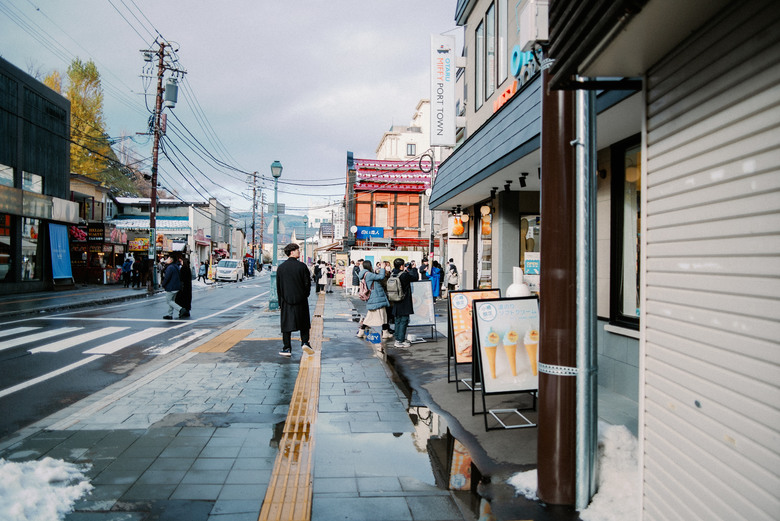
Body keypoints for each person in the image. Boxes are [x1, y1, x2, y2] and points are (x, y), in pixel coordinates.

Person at [276, 243, 315, 357]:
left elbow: (279, 287)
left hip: (286, 300)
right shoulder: (302, 266)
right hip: (301, 300)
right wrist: (305, 295)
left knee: (286, 324)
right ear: (291, 252)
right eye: (297, 250)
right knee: (304, 323)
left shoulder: (281, 268)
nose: (299, 252)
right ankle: (305, 342)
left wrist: (280, 302)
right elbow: (307, 284)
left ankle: (287, 347)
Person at [356, 260, 392, 340]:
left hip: (376, 297)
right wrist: (382, 268)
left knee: (382, 315)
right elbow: (381, 277)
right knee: (374, 316)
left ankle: (385, 332)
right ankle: (362, 331)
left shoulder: (366, 274)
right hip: (376, 297)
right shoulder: (368, 274)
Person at [390, 258, 418, 348]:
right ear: (402, 266)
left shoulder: (393, 274)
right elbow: (415, 278)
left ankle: (397, 338)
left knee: (397, 320)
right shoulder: (404, 275)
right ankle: (400, 340)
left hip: (395, 299)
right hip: (404, 300)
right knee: (404, 320)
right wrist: (413, 268)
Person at [161, 254, 182, 320]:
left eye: (168, 258)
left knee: (169, 301)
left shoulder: (170, 267)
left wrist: (163, 284)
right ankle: (170, 314)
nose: (167, 260)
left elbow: (167, 278)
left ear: (171, 260)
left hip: (171, 287)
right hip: (176, 286)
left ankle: (181, 309)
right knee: (172, 301)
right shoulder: (176, 266)